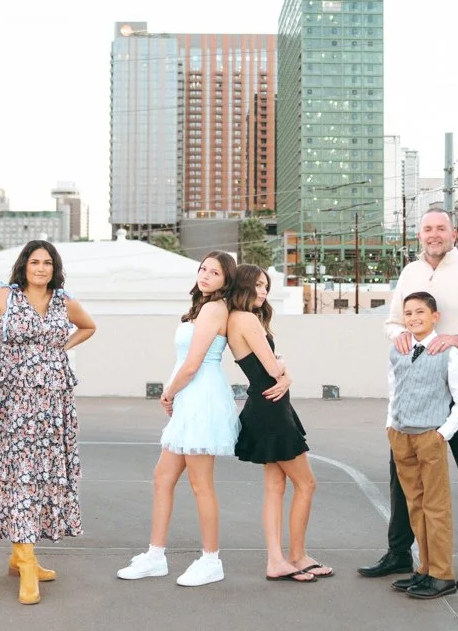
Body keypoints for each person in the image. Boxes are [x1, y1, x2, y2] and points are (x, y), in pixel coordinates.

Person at [358, 208, 458, 590]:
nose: (434, 234)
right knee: (402, 478)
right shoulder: (410, 272)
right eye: (428, 229)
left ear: (453, 233)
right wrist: (399, 336)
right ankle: (398, 553)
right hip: (417, 399)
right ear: (419, 234)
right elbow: (392, 322)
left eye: (441, 228)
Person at [0, 240, 96, 605]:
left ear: (55, 267)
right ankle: (27, 562)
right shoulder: (5, 296)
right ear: (24, 266)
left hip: (52, 400)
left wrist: (60, 349)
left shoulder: (64, 300)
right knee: (20, 473)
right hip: (12, 398)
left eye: (48, 262)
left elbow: (89, 326)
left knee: (41, 472)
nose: (42, 268)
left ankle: (20, 556)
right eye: (35, 262)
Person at [117, 251, 240, 587]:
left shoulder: (216, 308)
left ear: (226, 280)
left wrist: (169, 391)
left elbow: (193, 363)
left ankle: (211, 560)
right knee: (162, 477)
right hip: (189, 397)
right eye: (203, 269)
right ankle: (156, 556)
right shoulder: (202, 307)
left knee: (201, 484)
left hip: (200, 397)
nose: (205, 275)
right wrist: (175, 393)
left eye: (215, 273)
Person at [229, 263, 330, 583]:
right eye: (258, 285)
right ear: (244, 285)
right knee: (306, 483)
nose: (263, 291)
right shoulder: (246, 319)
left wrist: (283, 374)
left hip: (265, 405)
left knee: (275, 486)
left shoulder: (238, 318)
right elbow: (274, 368)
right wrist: (286, 371)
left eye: (266, 286)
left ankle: (277, 560)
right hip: (271, 408)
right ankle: (297, 556)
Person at [385, 292, 458, 599]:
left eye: (420, 312)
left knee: (436, 508)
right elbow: (394, 388)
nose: (413, 318)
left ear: (435, 316)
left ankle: (441, 574)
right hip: (401, 435)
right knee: (415, 506)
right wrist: (389, 424)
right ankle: (423, 570)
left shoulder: (447, 353)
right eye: (408, 313)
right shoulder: (399, 349)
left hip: (429, 437)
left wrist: (442, 433)